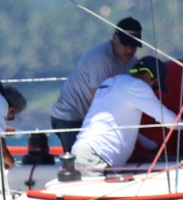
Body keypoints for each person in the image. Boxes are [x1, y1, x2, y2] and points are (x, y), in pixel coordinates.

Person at [49, 17, 142, 155]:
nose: (129, 49)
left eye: (134, 45)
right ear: (114, 38)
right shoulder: (101, 59)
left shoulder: (133, 63)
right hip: (69, 116)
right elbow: (99, 101)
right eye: (125, 44)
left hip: (91, 116)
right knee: (80, 160)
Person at [70, 57, 179, 173]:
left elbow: (119, 126)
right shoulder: (138, 86)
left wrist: (151, 145)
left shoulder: (112, 82)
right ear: (147, 76)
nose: (154, 90)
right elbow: (170, 121)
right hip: (96, 159)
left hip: (82, 153)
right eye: (156, 86)